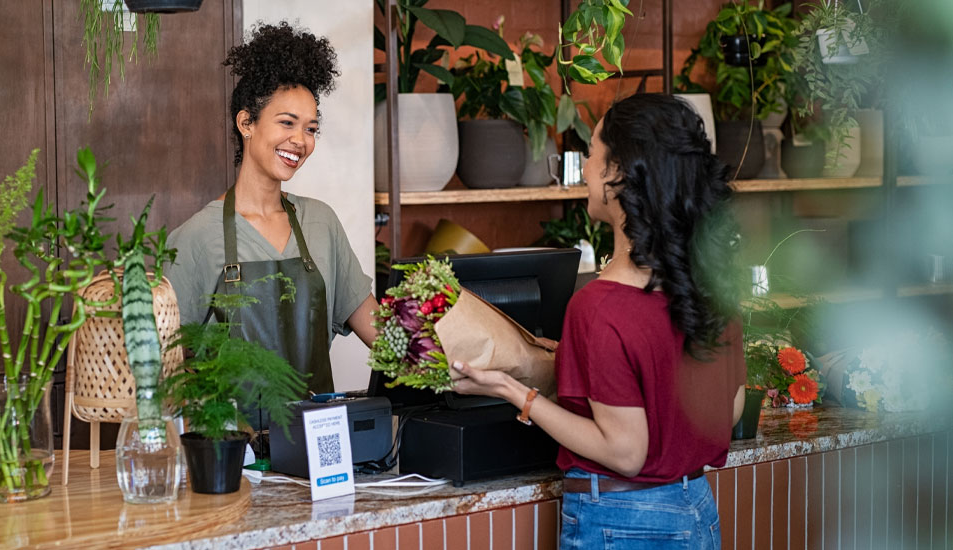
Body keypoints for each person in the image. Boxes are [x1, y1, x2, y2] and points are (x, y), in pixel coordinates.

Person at [450, 93, 745, 549]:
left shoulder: (600, 307)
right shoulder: (713, 290)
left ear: (617, 173)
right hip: (696, 510)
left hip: (621, 523)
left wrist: (513, 391)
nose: (585, 167)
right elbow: (728, 413)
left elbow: (625, 452)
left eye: (591, 152)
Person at [167, 22, 379, 403]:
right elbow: (164, 367)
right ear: (246, 123)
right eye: (287, 123)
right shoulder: (196, 238)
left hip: (317, 443)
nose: (300, 140)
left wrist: (455, 365)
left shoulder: (321, 223)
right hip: (232, 450)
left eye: (310, 128)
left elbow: (380, 333)